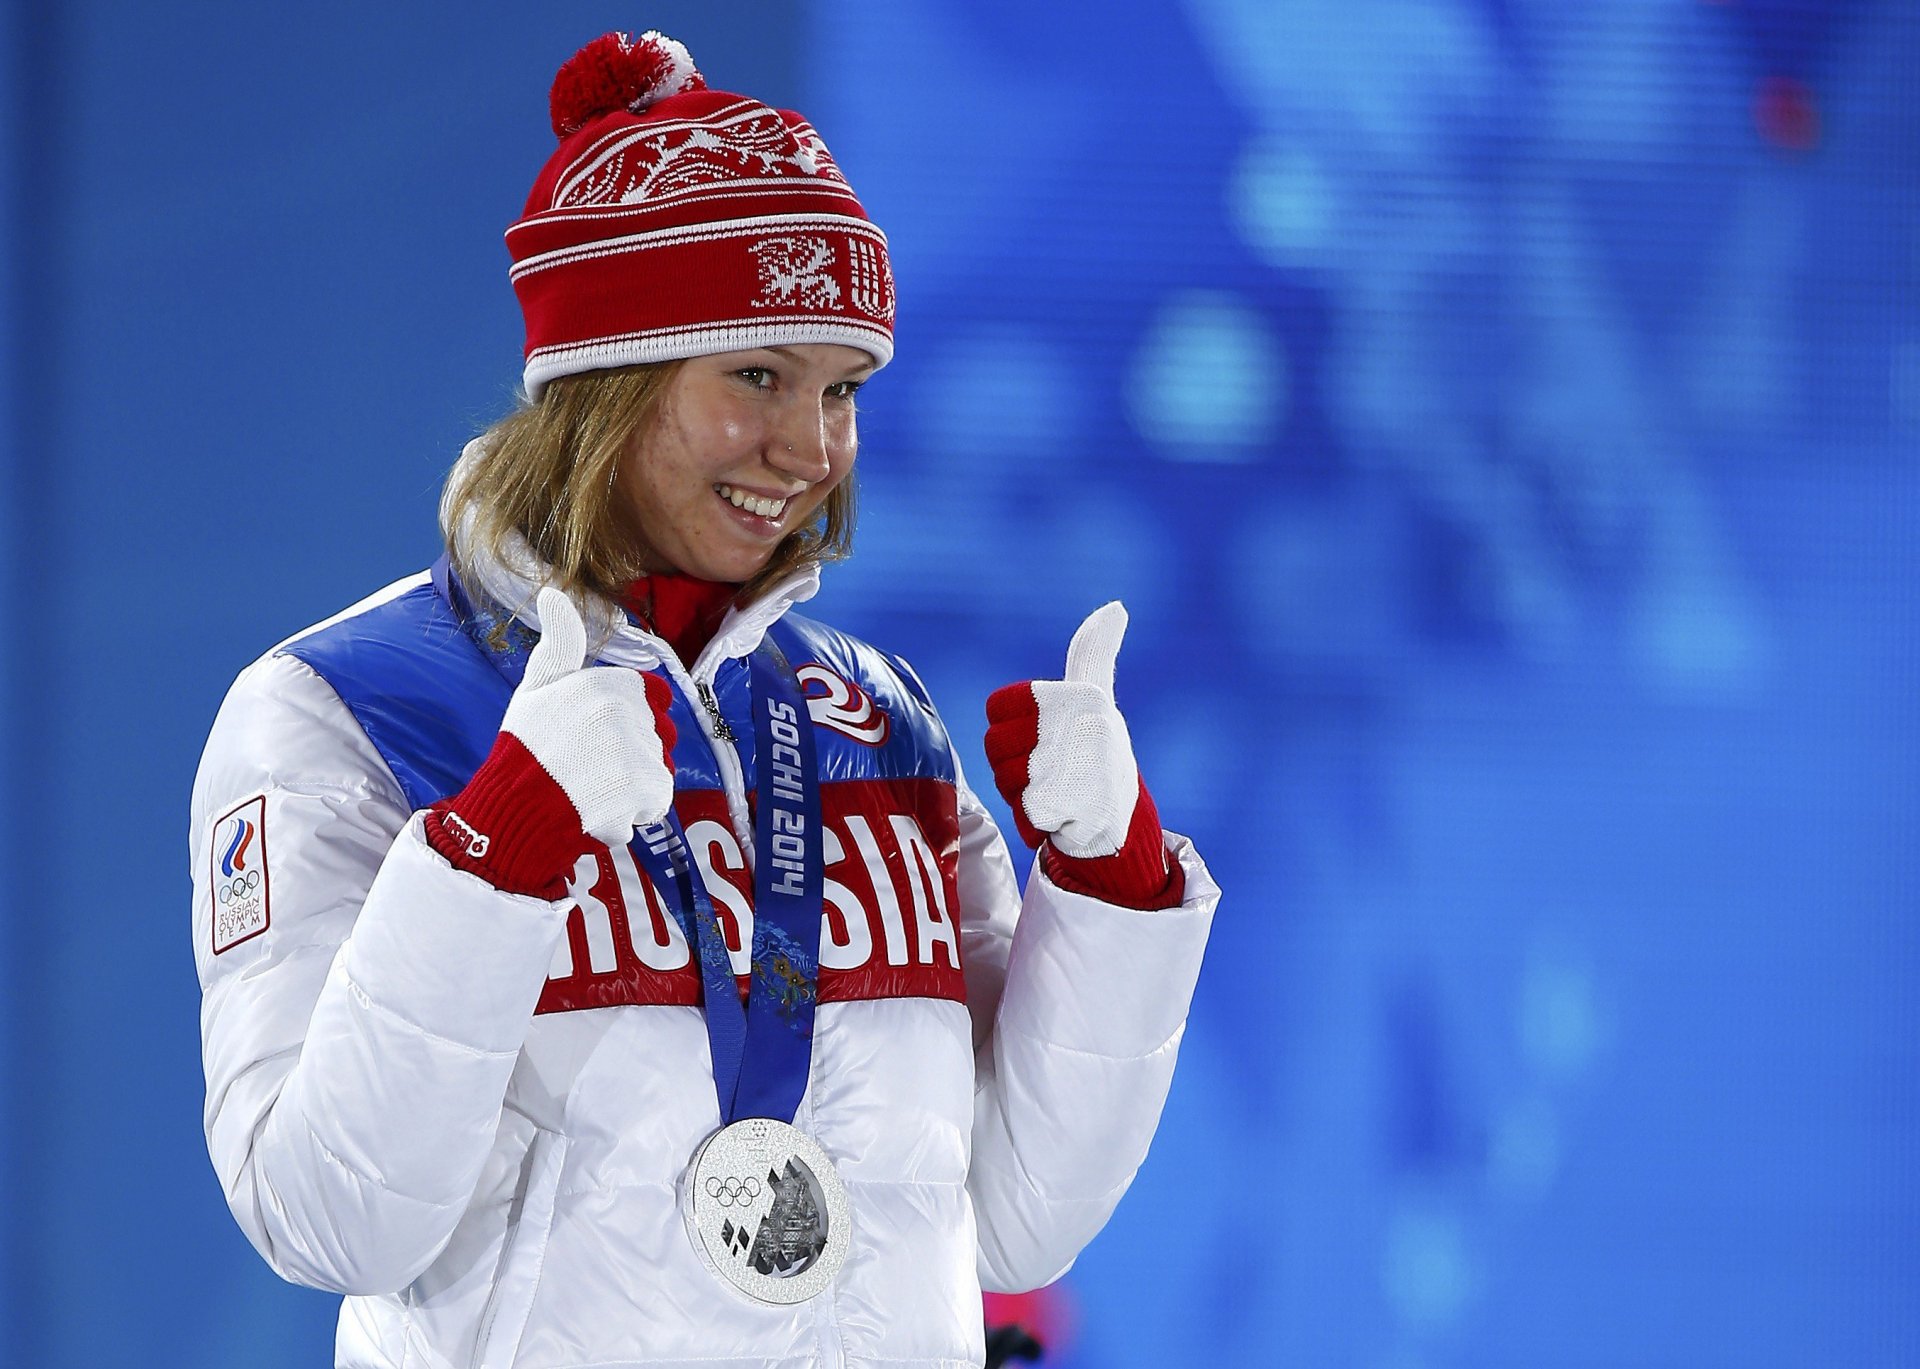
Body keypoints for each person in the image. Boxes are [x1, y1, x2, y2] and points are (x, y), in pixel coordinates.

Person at [190, 29, 1218, 1369]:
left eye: (840, 388)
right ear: (604, 384)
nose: (812, 449)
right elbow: (329, 1219)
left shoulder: (880, 722)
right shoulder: (349, 710)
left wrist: (1112, 875)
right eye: (757, 377)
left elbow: (1021, 1224)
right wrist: (503, 843)